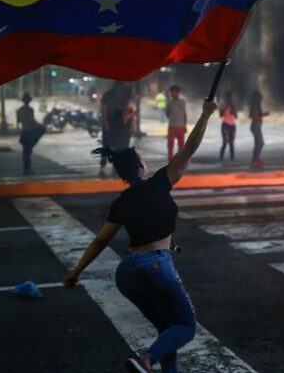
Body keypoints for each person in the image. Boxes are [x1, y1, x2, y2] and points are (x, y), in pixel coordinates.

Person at [64, 99, 218, 373]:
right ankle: (145, 359)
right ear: (139, 165)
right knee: (185, 327)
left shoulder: (121, 202)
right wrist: (205, 114)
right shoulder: (161, 181)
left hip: (126, 273)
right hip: (156, 265)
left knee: (167, 330)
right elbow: (189, 148)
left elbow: (101, 241)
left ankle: (154, 363)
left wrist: (76, 272)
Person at [100, 82, 132, 178]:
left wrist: (126, 120)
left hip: (117, 124)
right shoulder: (111, 95)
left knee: (114, 146)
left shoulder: (120, 94)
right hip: (113, 123)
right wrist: (105, 122)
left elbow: (125, 109)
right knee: (109, 145)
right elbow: (104, 109)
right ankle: (104, 166)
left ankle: (113, 167)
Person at [17, 93, 46, 175]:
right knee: (28, 152)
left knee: (26, 152)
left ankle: (26, 168)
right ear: (29, 100)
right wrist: (41, 125)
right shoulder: (30, 110)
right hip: (30, 132)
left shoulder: (19, 110)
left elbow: (19, 121)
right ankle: (27, 169)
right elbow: (32, 121)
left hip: (24, 132)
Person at [165, 85, 187, 161]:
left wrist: (185, 125)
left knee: (181, 145)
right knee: (170, 145)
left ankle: (180, 160)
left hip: (180, 126)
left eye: (174, 92)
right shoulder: (169, 103)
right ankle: (170, 160)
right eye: (172, 92)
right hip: (172, 127)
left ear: (178, 93)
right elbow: (167, 114)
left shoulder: (182, 102)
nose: (172, 93)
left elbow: (184, 114)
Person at [248, 91, 269, 167]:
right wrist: (260, 116)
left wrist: (262, 115)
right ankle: (255, 159)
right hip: (256, 125)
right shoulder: (255, 104)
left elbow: (251, 115)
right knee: (260, 143)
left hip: (255, 125)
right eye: (260, 96)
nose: (261, 97)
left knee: (258, 143)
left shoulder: (254, 104)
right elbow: (254, 114)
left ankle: (255, 159)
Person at [219, 91, 237, 162]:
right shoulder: (223, 105)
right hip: (225, 125)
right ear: (226, 98)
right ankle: (221, 158)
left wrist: (233, 111)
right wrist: (223, 109)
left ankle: (232, 159)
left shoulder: (233, 105)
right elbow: (220, 116)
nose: (229, 99)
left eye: (230, 97)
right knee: (225, 143)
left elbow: (236, 116)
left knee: (231, 143)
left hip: (232, 125)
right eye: (228, 97)